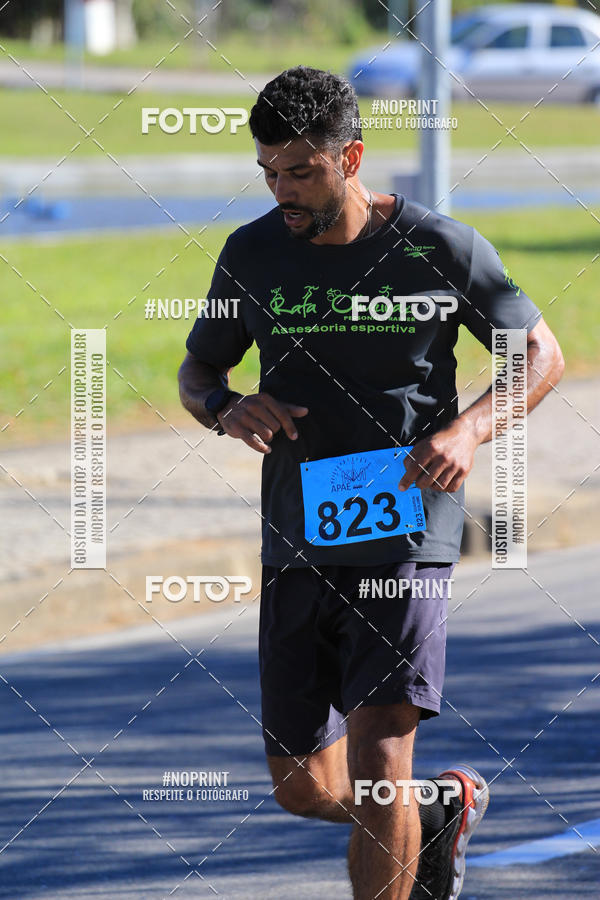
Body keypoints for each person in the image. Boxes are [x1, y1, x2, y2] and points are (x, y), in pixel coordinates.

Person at [178, 66, 564, 900]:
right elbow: (199, 369)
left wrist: (468, 429)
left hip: (407, 530)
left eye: (300, 171)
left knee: (381, 755)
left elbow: (539, 354)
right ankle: (438, 809)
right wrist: (225, 408)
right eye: (268, 171)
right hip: (297, 532)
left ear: (350, 158)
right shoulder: (252, 252)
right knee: (302, 786)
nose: (282, 189)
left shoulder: (441, 247)